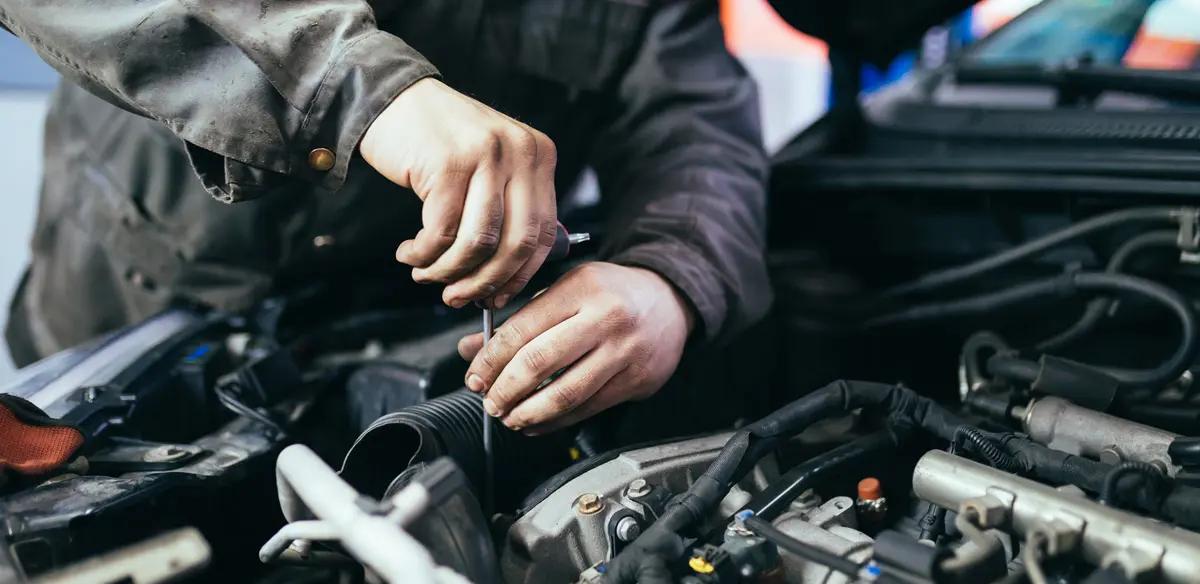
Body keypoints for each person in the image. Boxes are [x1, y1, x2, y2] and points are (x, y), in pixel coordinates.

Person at [2, 0, 771, 435]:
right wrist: (355, 88)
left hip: (391, 355)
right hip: (117, 327)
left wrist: (668, 277)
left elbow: (694, 123)